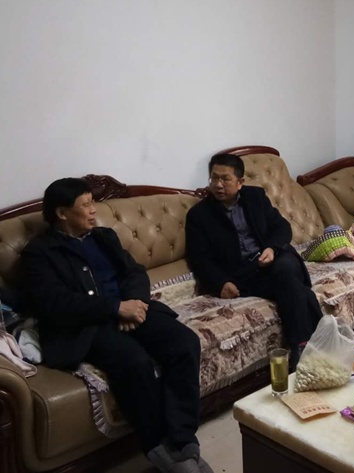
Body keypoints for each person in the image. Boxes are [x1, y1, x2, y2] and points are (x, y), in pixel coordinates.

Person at [19, 178, 212, 473]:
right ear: (61, 213)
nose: (93, 211)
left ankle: (183, 440)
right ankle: (158, 446)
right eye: (86, 205)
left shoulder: (103, 237)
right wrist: (115, 308)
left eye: (92, 203)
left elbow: (134, 272)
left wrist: (133, 303)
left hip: (131, 309)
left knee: (184, 342)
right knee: (134, 362)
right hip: (87, 326)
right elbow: (56, 303)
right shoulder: (39, 253)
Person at [185, 153, 323, 368]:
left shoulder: (255, 197)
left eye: (225, 179)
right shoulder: (199, 215)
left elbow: (282, 227)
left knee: (284, 269)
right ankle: (314, 343)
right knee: (296, 288)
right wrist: (220, 283)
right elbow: (199, 258)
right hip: (244, 274)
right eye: (214, 178)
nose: (218, 185)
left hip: (274, 259)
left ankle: (299, 347)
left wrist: (272, 248)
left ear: (240, 182)